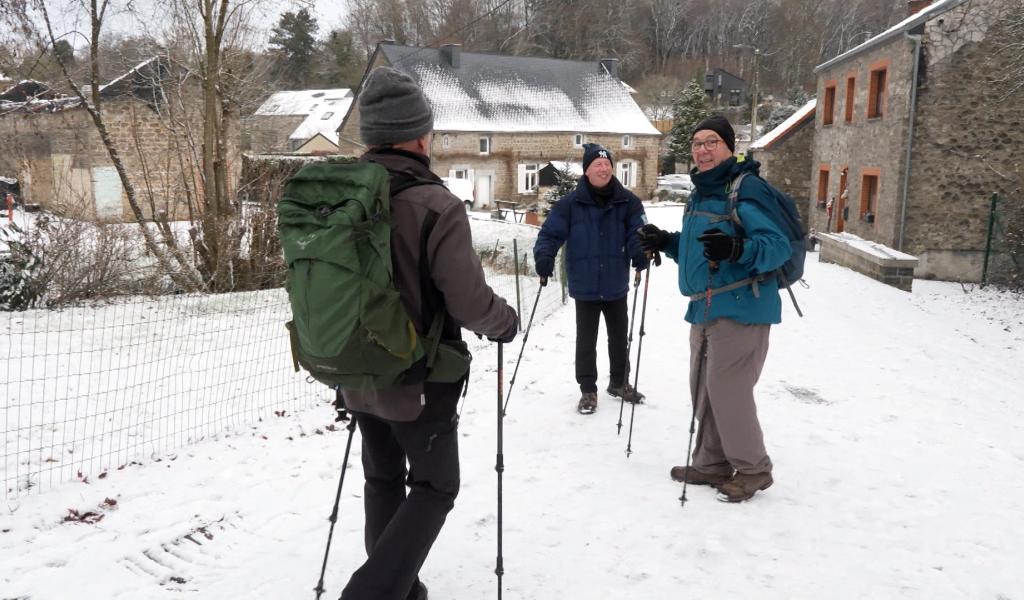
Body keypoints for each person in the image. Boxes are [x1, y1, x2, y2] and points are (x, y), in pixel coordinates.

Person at [338, 66, 519, 600]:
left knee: (383, 478)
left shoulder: (338, 199)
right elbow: (466, 301)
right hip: (418, 377)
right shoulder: (435, 203)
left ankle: (400, 588)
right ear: (420, 135)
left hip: (354, 368)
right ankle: (372, 593)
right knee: (437, 485)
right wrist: (503, 320)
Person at [637, 115, 790, 503]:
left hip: (741, 307)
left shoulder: (746, 189)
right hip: (705, 307)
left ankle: (754, 469)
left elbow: (778, 245)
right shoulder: (703, 191)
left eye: (711, 142)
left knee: (728, 390)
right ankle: (711, 463)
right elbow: (702, 250)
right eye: (696, 143)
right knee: (704, 388)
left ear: (728, 147)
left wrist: (739, 249)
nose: (702, 150)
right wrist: (668, 242)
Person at [533, 143, 649, 415]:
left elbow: (638, 231)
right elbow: (550, 234)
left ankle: (619, 383)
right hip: (584, 283)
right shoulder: (569, 205)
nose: (603, 168)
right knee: (586, 340)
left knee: (619, 336)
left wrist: (640, 252)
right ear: (586, 171)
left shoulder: (628, 202)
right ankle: (588, 390)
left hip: (615, 282)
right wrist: (544, 258)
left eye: (607, 163)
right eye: (597, 164)